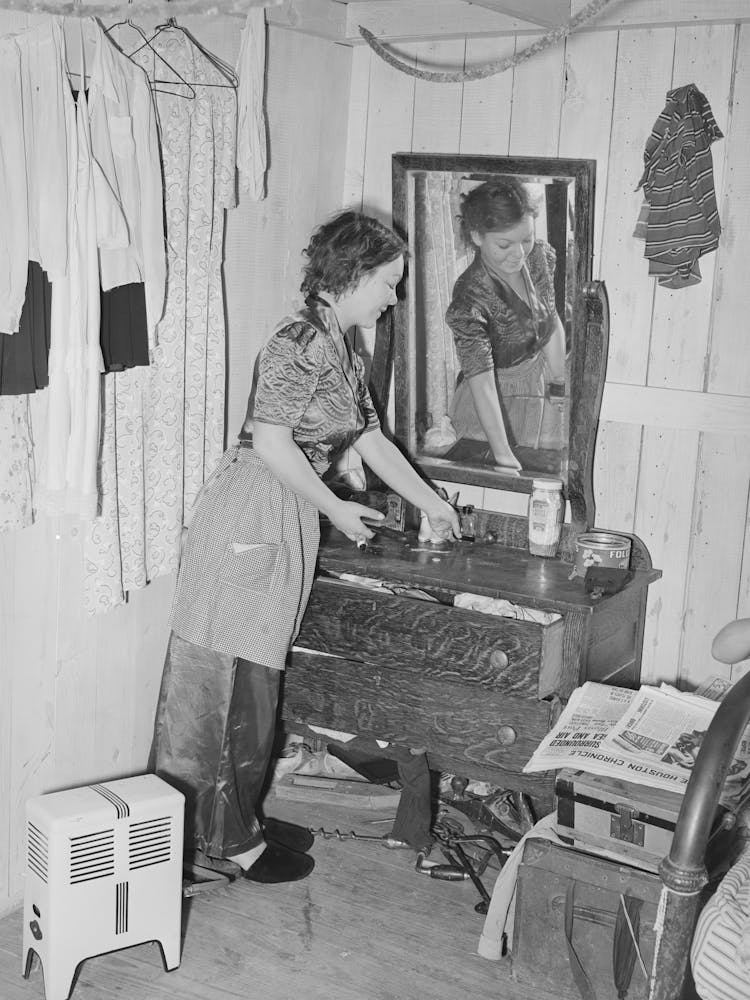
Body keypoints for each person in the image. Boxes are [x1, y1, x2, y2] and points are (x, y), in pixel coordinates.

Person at [150, 210, 461, 886]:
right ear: (350, 275)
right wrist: (337, 508)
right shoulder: (297, 342)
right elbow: (270, 441)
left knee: (256, 683)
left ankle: (233, 823)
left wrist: (434, 503)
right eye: (388, 281)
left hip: (282, 511)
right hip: (251, 509)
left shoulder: (343, 347)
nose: (394, 296)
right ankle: (213, 843)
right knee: (225, 685)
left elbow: (370, 440)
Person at [445, 179, 567, 472]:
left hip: (540, 381)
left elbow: (549, 321)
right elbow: (482, 380)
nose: (519, 254)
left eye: (525, 239)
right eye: (504, 244)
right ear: (476, 236)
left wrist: (559, 384)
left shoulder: (537, 257)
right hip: (494, 402)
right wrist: (502, 454)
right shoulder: (469, 298)